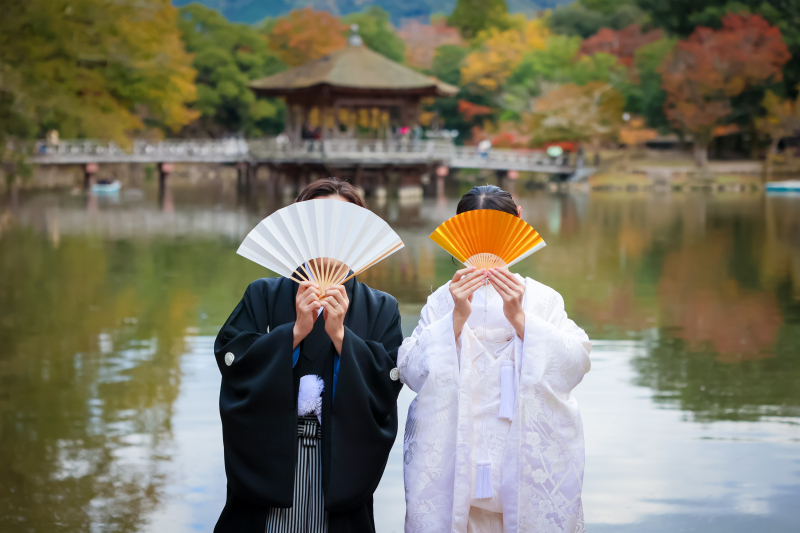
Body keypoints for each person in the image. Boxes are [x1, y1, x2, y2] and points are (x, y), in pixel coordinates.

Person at [214, 177, 404, 533]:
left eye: (343, 224)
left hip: (341, 460)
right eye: (319, 220)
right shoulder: (264, 294)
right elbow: (233, 361)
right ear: (299, 226)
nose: (330, 233)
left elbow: (388, 381)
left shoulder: (381, 307)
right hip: (272, 455)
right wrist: (294, 332)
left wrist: (341, 336)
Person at [398, 185, 592, 533]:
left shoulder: (541, 299)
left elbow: (576, 364)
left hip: (525, 470)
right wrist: (455, 318)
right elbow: (411, 372)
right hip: (456, 473)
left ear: (517, 227)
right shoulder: (444, 300)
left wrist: (521, 318)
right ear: (459, 234)